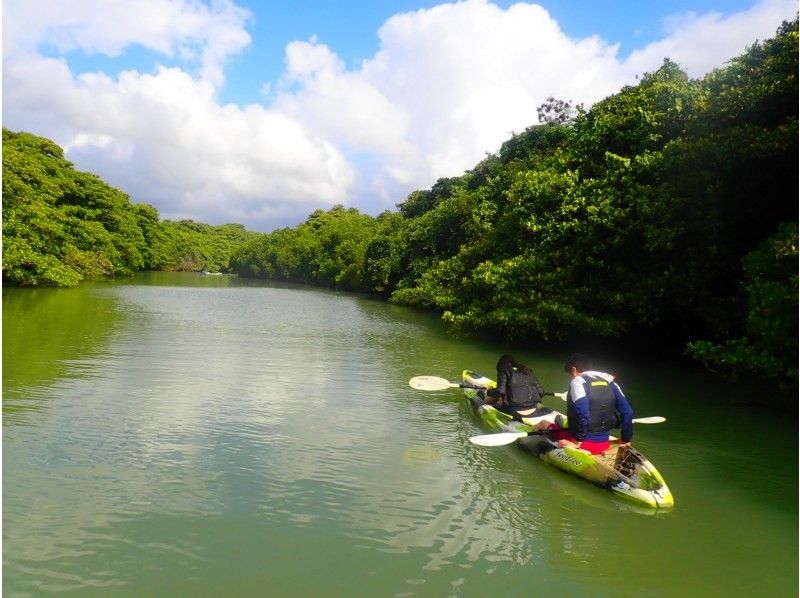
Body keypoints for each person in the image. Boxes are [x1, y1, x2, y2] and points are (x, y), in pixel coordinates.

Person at [545, 353, 634, 455]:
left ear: (574, 369)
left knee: (543, 423)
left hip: (583, 444)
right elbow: (628, 412)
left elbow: (583, 412)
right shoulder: (611, 382)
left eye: (570, 373)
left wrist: (578, 441)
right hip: (605, 443)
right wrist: (625, 439)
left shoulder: (578, 381)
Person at [482, 354, 552, 421]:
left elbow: (500, 391)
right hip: (534, 410)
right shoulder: (528, 371)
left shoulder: (503, 370)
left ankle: (483, 398)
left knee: (482, 395)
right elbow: (541, 392)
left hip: (515, 412)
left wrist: (488, 391)